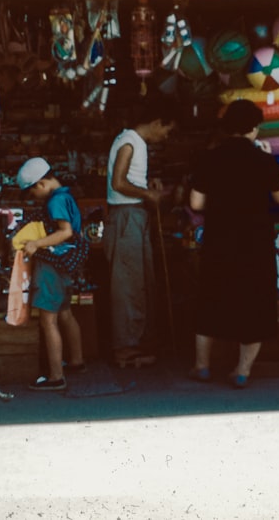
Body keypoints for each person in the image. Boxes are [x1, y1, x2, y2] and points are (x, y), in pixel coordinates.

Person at [187, 99, 279, 388]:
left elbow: (196, 202)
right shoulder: (263, 159)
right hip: (255, 241)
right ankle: (242, 370)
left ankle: (202, 366)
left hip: (220, 239)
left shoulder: (210, 158)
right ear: (254, 128)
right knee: (254, 303)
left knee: (210, 300)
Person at [104, 98, 178, 368]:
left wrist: (147, 185)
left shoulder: (137, 143)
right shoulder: (130, 140)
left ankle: (135, 346)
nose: (166, 136)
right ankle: (125, 352)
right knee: (127, 288)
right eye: (167, 130)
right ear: (157, 122)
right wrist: (147, 193)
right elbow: (118, 182)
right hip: (126, 219)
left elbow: (127, 181)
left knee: (138, 284)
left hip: (134, 216)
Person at [15, 157, 87, 392]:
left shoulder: (55, 201)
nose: (34, 197)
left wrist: (36, 243)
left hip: (54, 265)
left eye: (32, 192)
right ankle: (76, 361)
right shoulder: (67, 196)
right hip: (67, 265)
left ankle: (56, 376)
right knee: (66, 313)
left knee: (48, 320)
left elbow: (64, 232)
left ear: (40, 184)